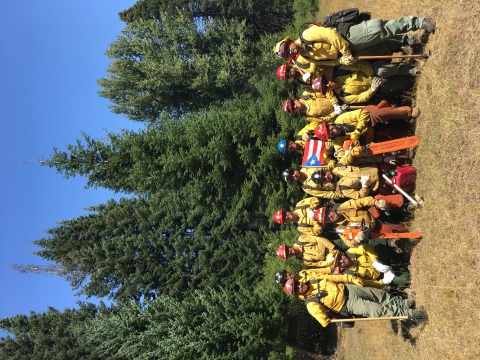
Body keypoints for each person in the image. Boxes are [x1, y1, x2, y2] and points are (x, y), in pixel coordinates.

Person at [273, 16, 435, 78]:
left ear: (289, 42)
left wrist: (345, 51)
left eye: (288, 47)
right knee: (381, 46)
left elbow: (331, 36)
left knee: (381, 29)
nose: (291, 51)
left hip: (348, 37)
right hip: (350, 53)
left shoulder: (307, 35)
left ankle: (419, 22)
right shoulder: (307, 57)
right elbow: (329, 63)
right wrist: (342, 60)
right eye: (288, 53)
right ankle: (410, 40)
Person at [283, 277, 425, 327]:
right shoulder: (310, 303)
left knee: (380, 295)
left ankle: (404, 303)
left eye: (297, 283)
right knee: (376, 309)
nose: (300, 286)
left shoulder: (314, 279)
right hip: (347, 304)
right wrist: (323, 320)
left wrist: (351, 280)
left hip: (349, 288)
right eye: (297, 288)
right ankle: (412, 315)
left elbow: (334, 277)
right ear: (297, 294)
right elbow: (318, 314)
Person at [313, 196, 408, 248]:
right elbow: (349, 243)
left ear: (330, 210)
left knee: (380, 199)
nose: (329, 216)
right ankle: (394, 241)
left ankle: (406, 205)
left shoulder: (344, 207)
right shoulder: (340, 229)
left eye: (327, 213)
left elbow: (360, 202)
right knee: (401, 228)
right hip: (375, 230)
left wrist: (375, 202)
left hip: (374, 214)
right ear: (327, 223)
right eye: (326, 219)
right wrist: (357, 239)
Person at [315, 60, 420, 104]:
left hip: (373, 71)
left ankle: (409, 69)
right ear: (328, 90)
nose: (328, 85)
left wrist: (373, 76)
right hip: (377, 88)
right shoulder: (344, 96)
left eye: (326, 82)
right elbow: (361, 98)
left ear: (327, 78)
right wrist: (373, 89)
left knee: (382, 70)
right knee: (406, 84)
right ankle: (407, 79)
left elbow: (361, 64)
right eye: (326, 87)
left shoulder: (342, 70)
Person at [282, 156, 380, 199]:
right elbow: (327, 194)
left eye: (292, 173)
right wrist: (340, 193)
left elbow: (324, 159)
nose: (294, 175)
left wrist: (329, 161)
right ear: (293, 181)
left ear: (293, 169)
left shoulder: (308, 164)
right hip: (344, 186)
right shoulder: (307, 187)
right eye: (292, 178)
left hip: (338, 171)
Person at [326, 246, 411, 287]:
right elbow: (368, 283)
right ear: (339, 267)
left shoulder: (351, 252)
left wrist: (375, 261)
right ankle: (401, 270)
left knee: (379, 249)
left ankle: (401, 259)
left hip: (380, 261)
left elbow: (366, 248)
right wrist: (383, 282)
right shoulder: (349, 275)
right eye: (339, 263)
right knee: (406, 278)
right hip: (382, 276)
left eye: (340, 257)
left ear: (341, 254)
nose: (342, 260)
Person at [281, 89, 346, 123]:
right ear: (295, 112)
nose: (295, 106)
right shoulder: (307, 117)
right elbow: (323, 119)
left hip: (341, 97)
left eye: (293, 104)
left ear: (294, 100)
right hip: (342, 110)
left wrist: (335, 104)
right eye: (293, 109)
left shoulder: (306, 94)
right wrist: (336, 113)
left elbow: (325, 91)